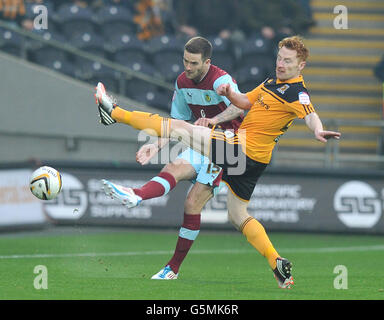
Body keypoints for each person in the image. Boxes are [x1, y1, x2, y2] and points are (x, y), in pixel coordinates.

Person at [95, 35, 341, 289]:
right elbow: (245, 102)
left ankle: (114, 113)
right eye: (279, 57)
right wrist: (230, 94)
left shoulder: (296, 91)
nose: (281, 63)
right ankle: (276, 262)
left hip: (240, 150)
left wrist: (318, 130)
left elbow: (310, 113)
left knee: (179, 129)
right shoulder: (271, 83)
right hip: (254, 161)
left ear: (301, 65)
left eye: (288, 61)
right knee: (237, 215)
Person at [100, 36, 244, 280]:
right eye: (185, 61)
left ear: (207, 62)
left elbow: (241, 107)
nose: (188, 67)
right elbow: (175, 122)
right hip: (202, 141)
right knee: (174, 165)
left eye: (194, 63)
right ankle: (137, 195)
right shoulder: (182, 82)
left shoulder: (221, 79)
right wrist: (156, 146)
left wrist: (214, 120)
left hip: (228, 148)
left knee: (191, 204)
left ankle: (173, 268)